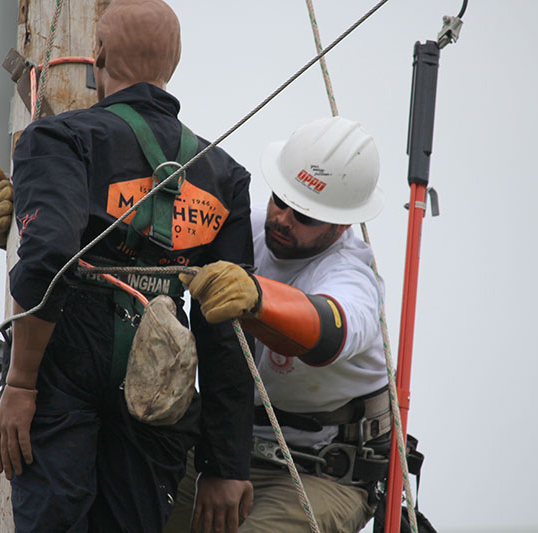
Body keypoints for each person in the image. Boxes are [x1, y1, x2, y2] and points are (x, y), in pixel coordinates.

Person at [0, 1, 255, 530]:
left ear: (101, 53)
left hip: (64, 360)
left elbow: (47, 261)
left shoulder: (60, 139)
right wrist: (225, 465)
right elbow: (226, 324)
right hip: (160, 371)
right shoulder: (224, 176)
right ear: (173, 62)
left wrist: (20, 385)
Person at [163, 115, 391, 532]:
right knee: (129, 506)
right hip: (226, 445)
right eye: (280, 200)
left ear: (342, 224)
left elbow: (327, 331)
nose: (283, 219)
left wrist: (258, 299)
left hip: (321, 473)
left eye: (305, 216)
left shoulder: (353, 278)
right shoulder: (243, 231)